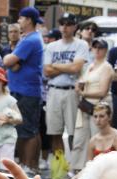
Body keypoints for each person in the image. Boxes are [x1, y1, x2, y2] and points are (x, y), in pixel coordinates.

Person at [44, 12, 89, 167]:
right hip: (54, 90)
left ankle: (75, 166)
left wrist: (56, 66)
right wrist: (67, 67)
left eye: (68, 24)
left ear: (75, 26)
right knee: (54, 132)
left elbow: (76, 68)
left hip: (72, 91)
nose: (64, 27)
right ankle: (60, 168)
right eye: (62, 23)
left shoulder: (81, 44)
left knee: (73, 133)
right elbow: (46, 71)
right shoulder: (51, 46)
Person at [3, 6, 44, 175]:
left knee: (28, 129)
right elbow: (14, 63)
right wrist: (13, 63)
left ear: (28, 20)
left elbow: (8, 60)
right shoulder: (27, 38)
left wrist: (11, 61)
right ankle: (28, 164)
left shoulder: (30, 40)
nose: (19, 21)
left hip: (27, 91)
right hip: (22, 89)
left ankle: (29, 166)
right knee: (24, 128)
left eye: (20, 18)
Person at [71, 38, 113, 172]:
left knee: (97, 137)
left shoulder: (106, 66)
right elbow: (82, 82)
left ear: (105, 50)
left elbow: (103, 91)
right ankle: (77, 168)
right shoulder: (90, 65)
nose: (97, 50)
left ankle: (97, 169)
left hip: (98, 106)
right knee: (80, 138)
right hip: (85, 106)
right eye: (95, 47)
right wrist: (79, 87)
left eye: (100, 48)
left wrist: (84, 93)